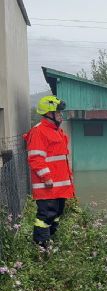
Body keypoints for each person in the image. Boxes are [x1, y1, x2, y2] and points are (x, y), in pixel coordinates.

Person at [24, 95, 75, 248]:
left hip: (59, 186)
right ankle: (41, 247)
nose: (61, 115)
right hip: (48, 186)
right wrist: (46, 178)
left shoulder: (56, 131)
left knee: (57, 214)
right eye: (58, 112)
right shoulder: (39, 131)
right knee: (45, 217)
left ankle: (49, 241)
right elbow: (35, 158)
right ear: (48, 114)